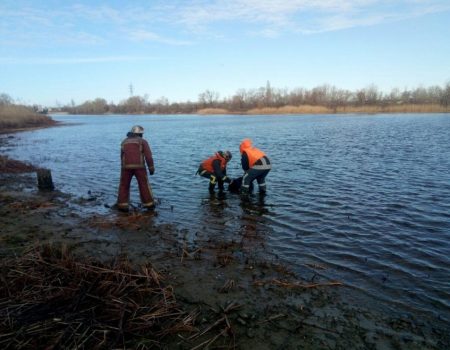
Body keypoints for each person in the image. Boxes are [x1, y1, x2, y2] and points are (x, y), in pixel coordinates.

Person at [117, 125, 155, 211]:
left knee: (124, 185)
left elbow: (121, 156)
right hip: (140, 167)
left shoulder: (124, 142)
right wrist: (151, 168)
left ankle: (122, 205)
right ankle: (149, 205)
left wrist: (122, 168)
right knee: (143, 185)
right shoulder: (143, 142)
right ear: (140, 134)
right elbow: (148, 156)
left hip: (125, 167)